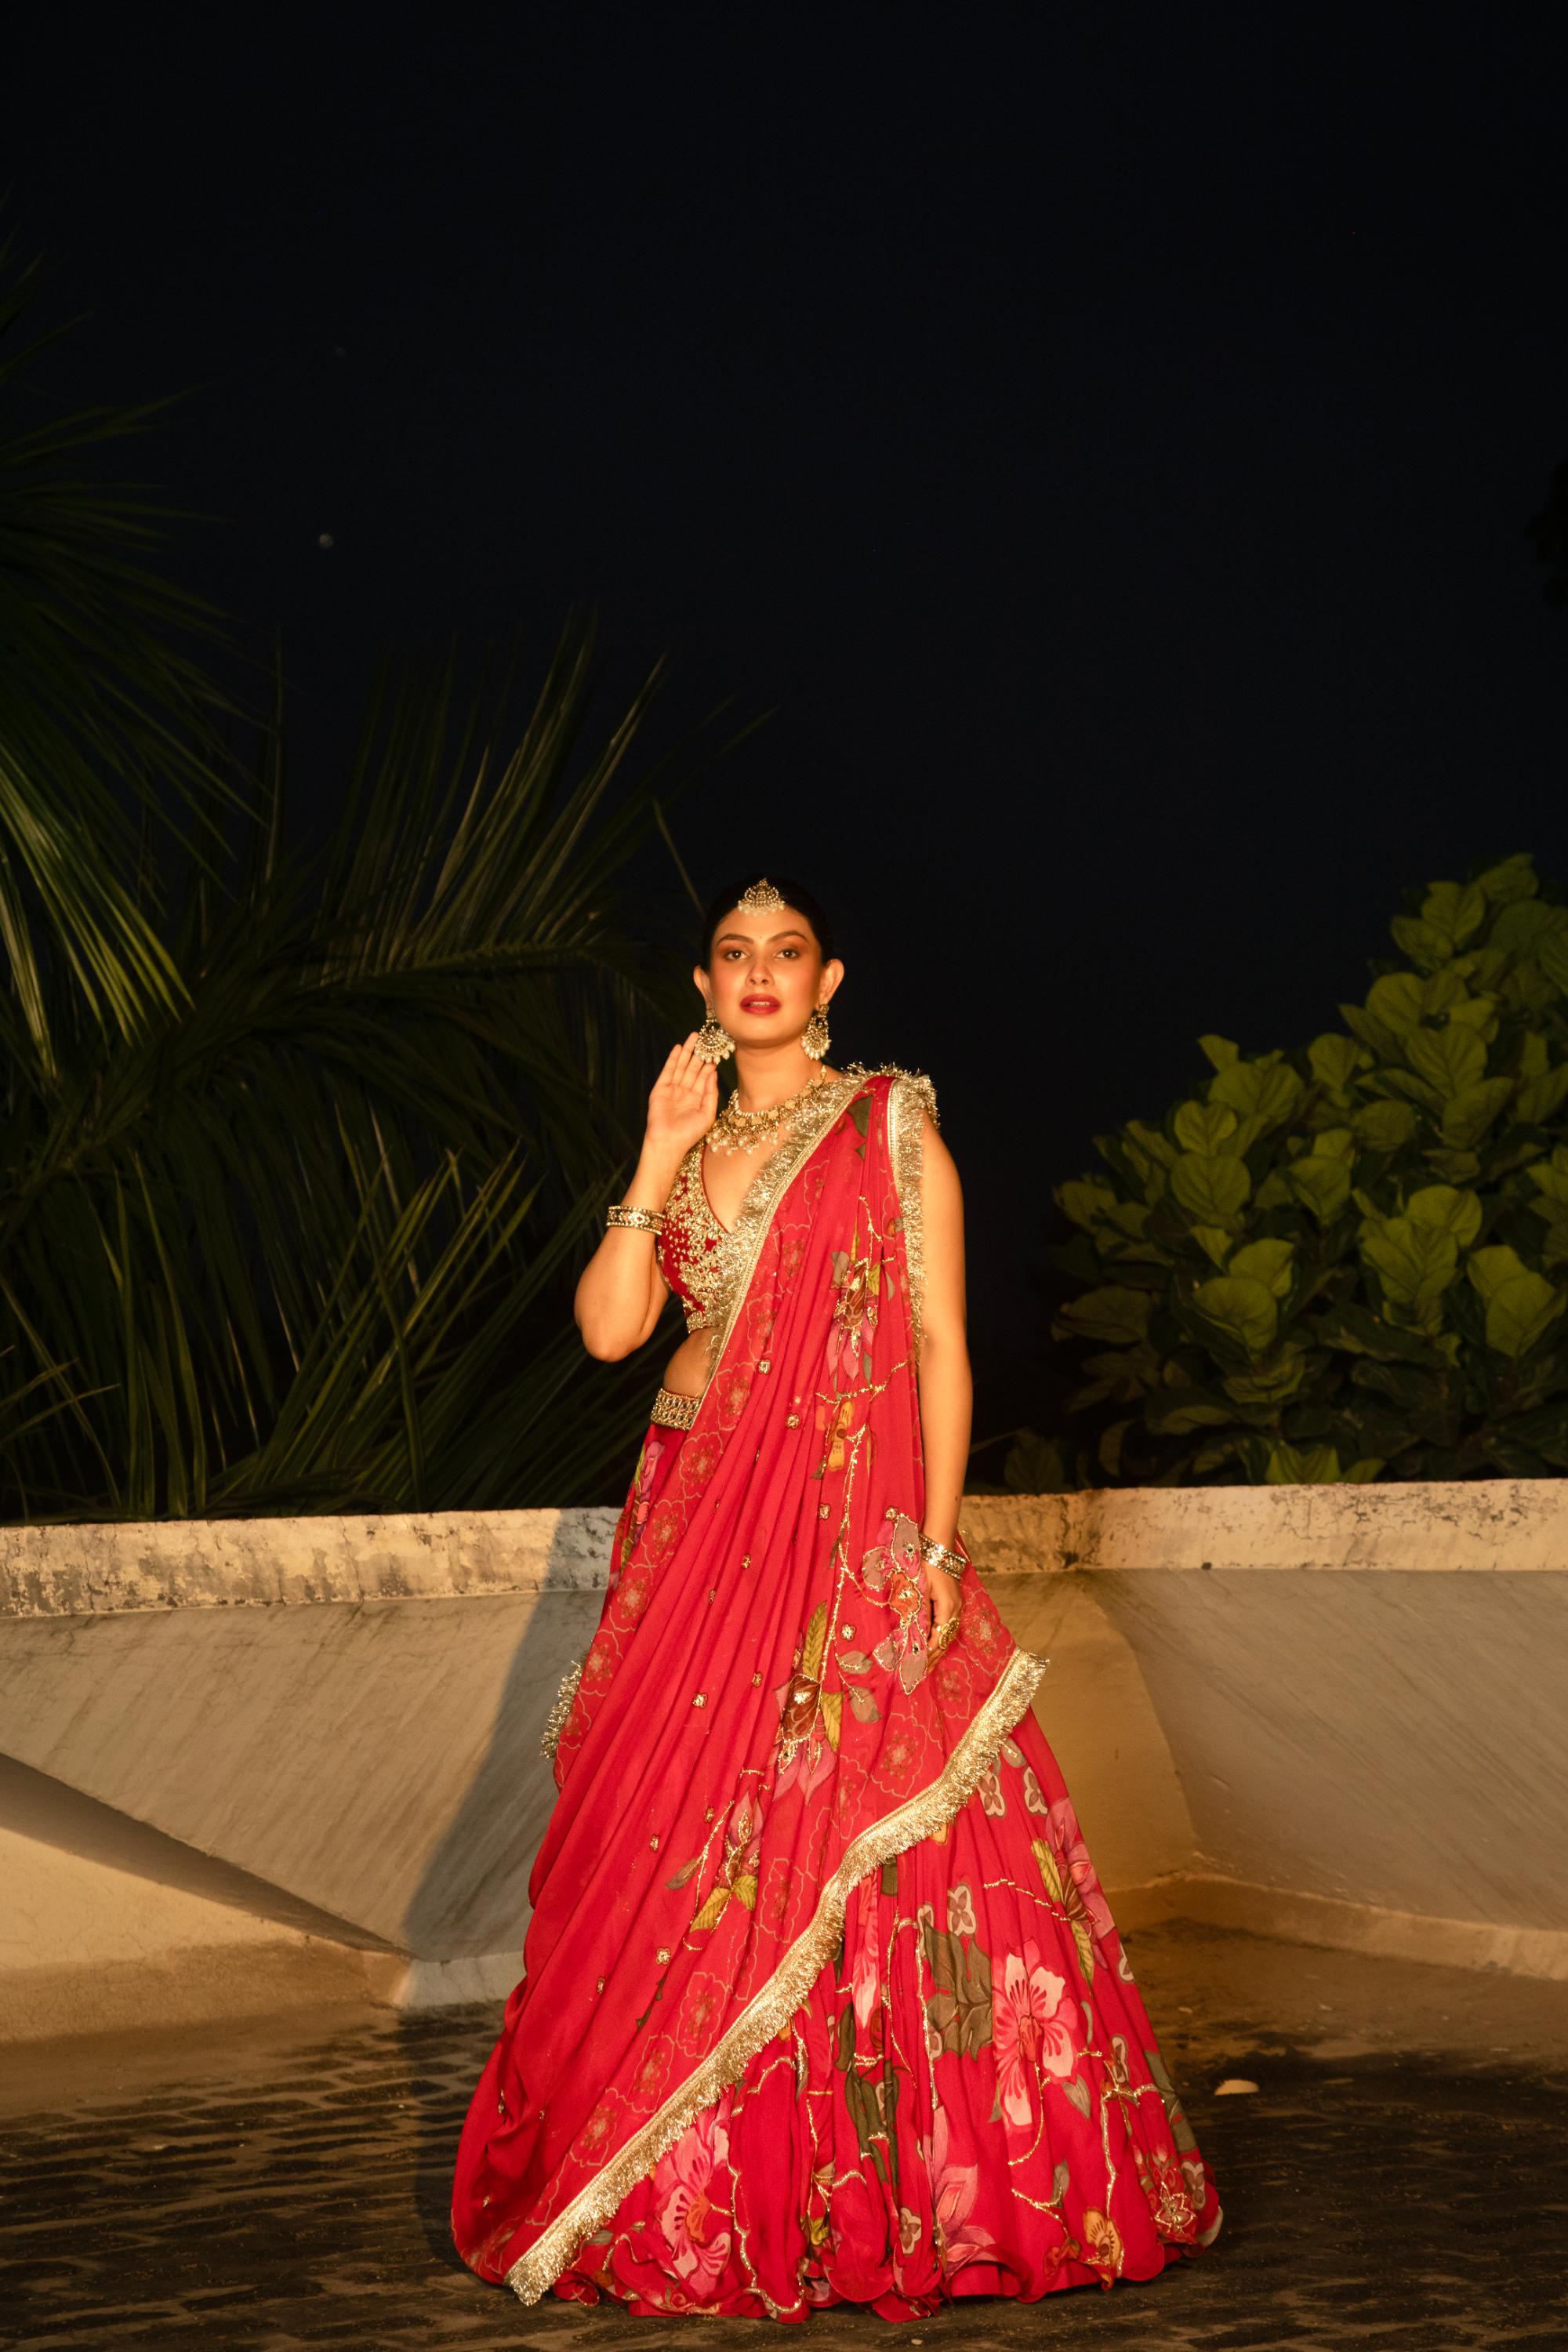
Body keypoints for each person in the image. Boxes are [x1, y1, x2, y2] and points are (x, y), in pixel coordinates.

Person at [452, 876, 1222, 2318]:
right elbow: (614, 1332)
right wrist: (655, 1144)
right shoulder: (688, 1148)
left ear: (830, 979)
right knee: (680, 1841)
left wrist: (930, 1555)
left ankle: (879, 2182)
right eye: (732, 955)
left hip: (841, 1536)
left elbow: (939, 1347)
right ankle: (693, 2182)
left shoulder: (888, 1128)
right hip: (690, 1528)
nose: (758, 973)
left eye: (785, 953)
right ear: (702, 986)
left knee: (840, 1821)